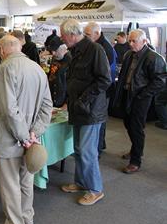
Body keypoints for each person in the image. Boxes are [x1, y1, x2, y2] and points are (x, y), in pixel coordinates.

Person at [0, 35, 52, 224]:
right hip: (29, 138)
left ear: (1, 50)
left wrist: (24, 136)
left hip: (9, 138)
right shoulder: (38, 69)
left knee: (9, 185)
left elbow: (9, 109)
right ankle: (26, 218)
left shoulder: (5, 68)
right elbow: (47, 106)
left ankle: (15, 223)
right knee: (25, 180)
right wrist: (33, 133)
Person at [59, 19, 111, 206]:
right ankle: (81, 182)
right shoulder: (76, 51)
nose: (61, 38)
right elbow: (75, 80)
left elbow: (105, 80)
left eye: (63, 35)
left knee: (87, 151)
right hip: (79, 108)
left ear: (73, 35)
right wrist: (70, 102)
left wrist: (83, 100)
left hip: (89, 110)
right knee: (79, 149)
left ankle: (95, 190)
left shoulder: (95, 50)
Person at [114, 29, 167, 173]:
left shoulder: (154, 58)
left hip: (141, 98)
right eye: (129, 40)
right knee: (127, 123)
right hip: (127, 94)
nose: (130, 44)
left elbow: (160, 80)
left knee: (136, 127)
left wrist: (144, 94)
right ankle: (135, 149)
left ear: (144, 41)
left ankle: (136, 160)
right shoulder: (129, 55)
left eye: (134, 41)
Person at [84, 22, 117, 156]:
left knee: (99, 120)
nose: (85, 37)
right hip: (100, 89)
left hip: (103, 90)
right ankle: (98, 146)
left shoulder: (104, 48)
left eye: (88, 34)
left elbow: (103, 75)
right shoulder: (97, 45)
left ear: (97, 34)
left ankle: (97, 148)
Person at [48, 43, 71, 108]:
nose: (53, 53)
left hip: (63, 103)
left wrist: (67, 102)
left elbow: (73, 85)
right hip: (52, 100)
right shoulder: (55, 57)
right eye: (52, 51)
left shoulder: (71, 61)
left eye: (55, 50)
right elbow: (51, 76)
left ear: (64, 49)